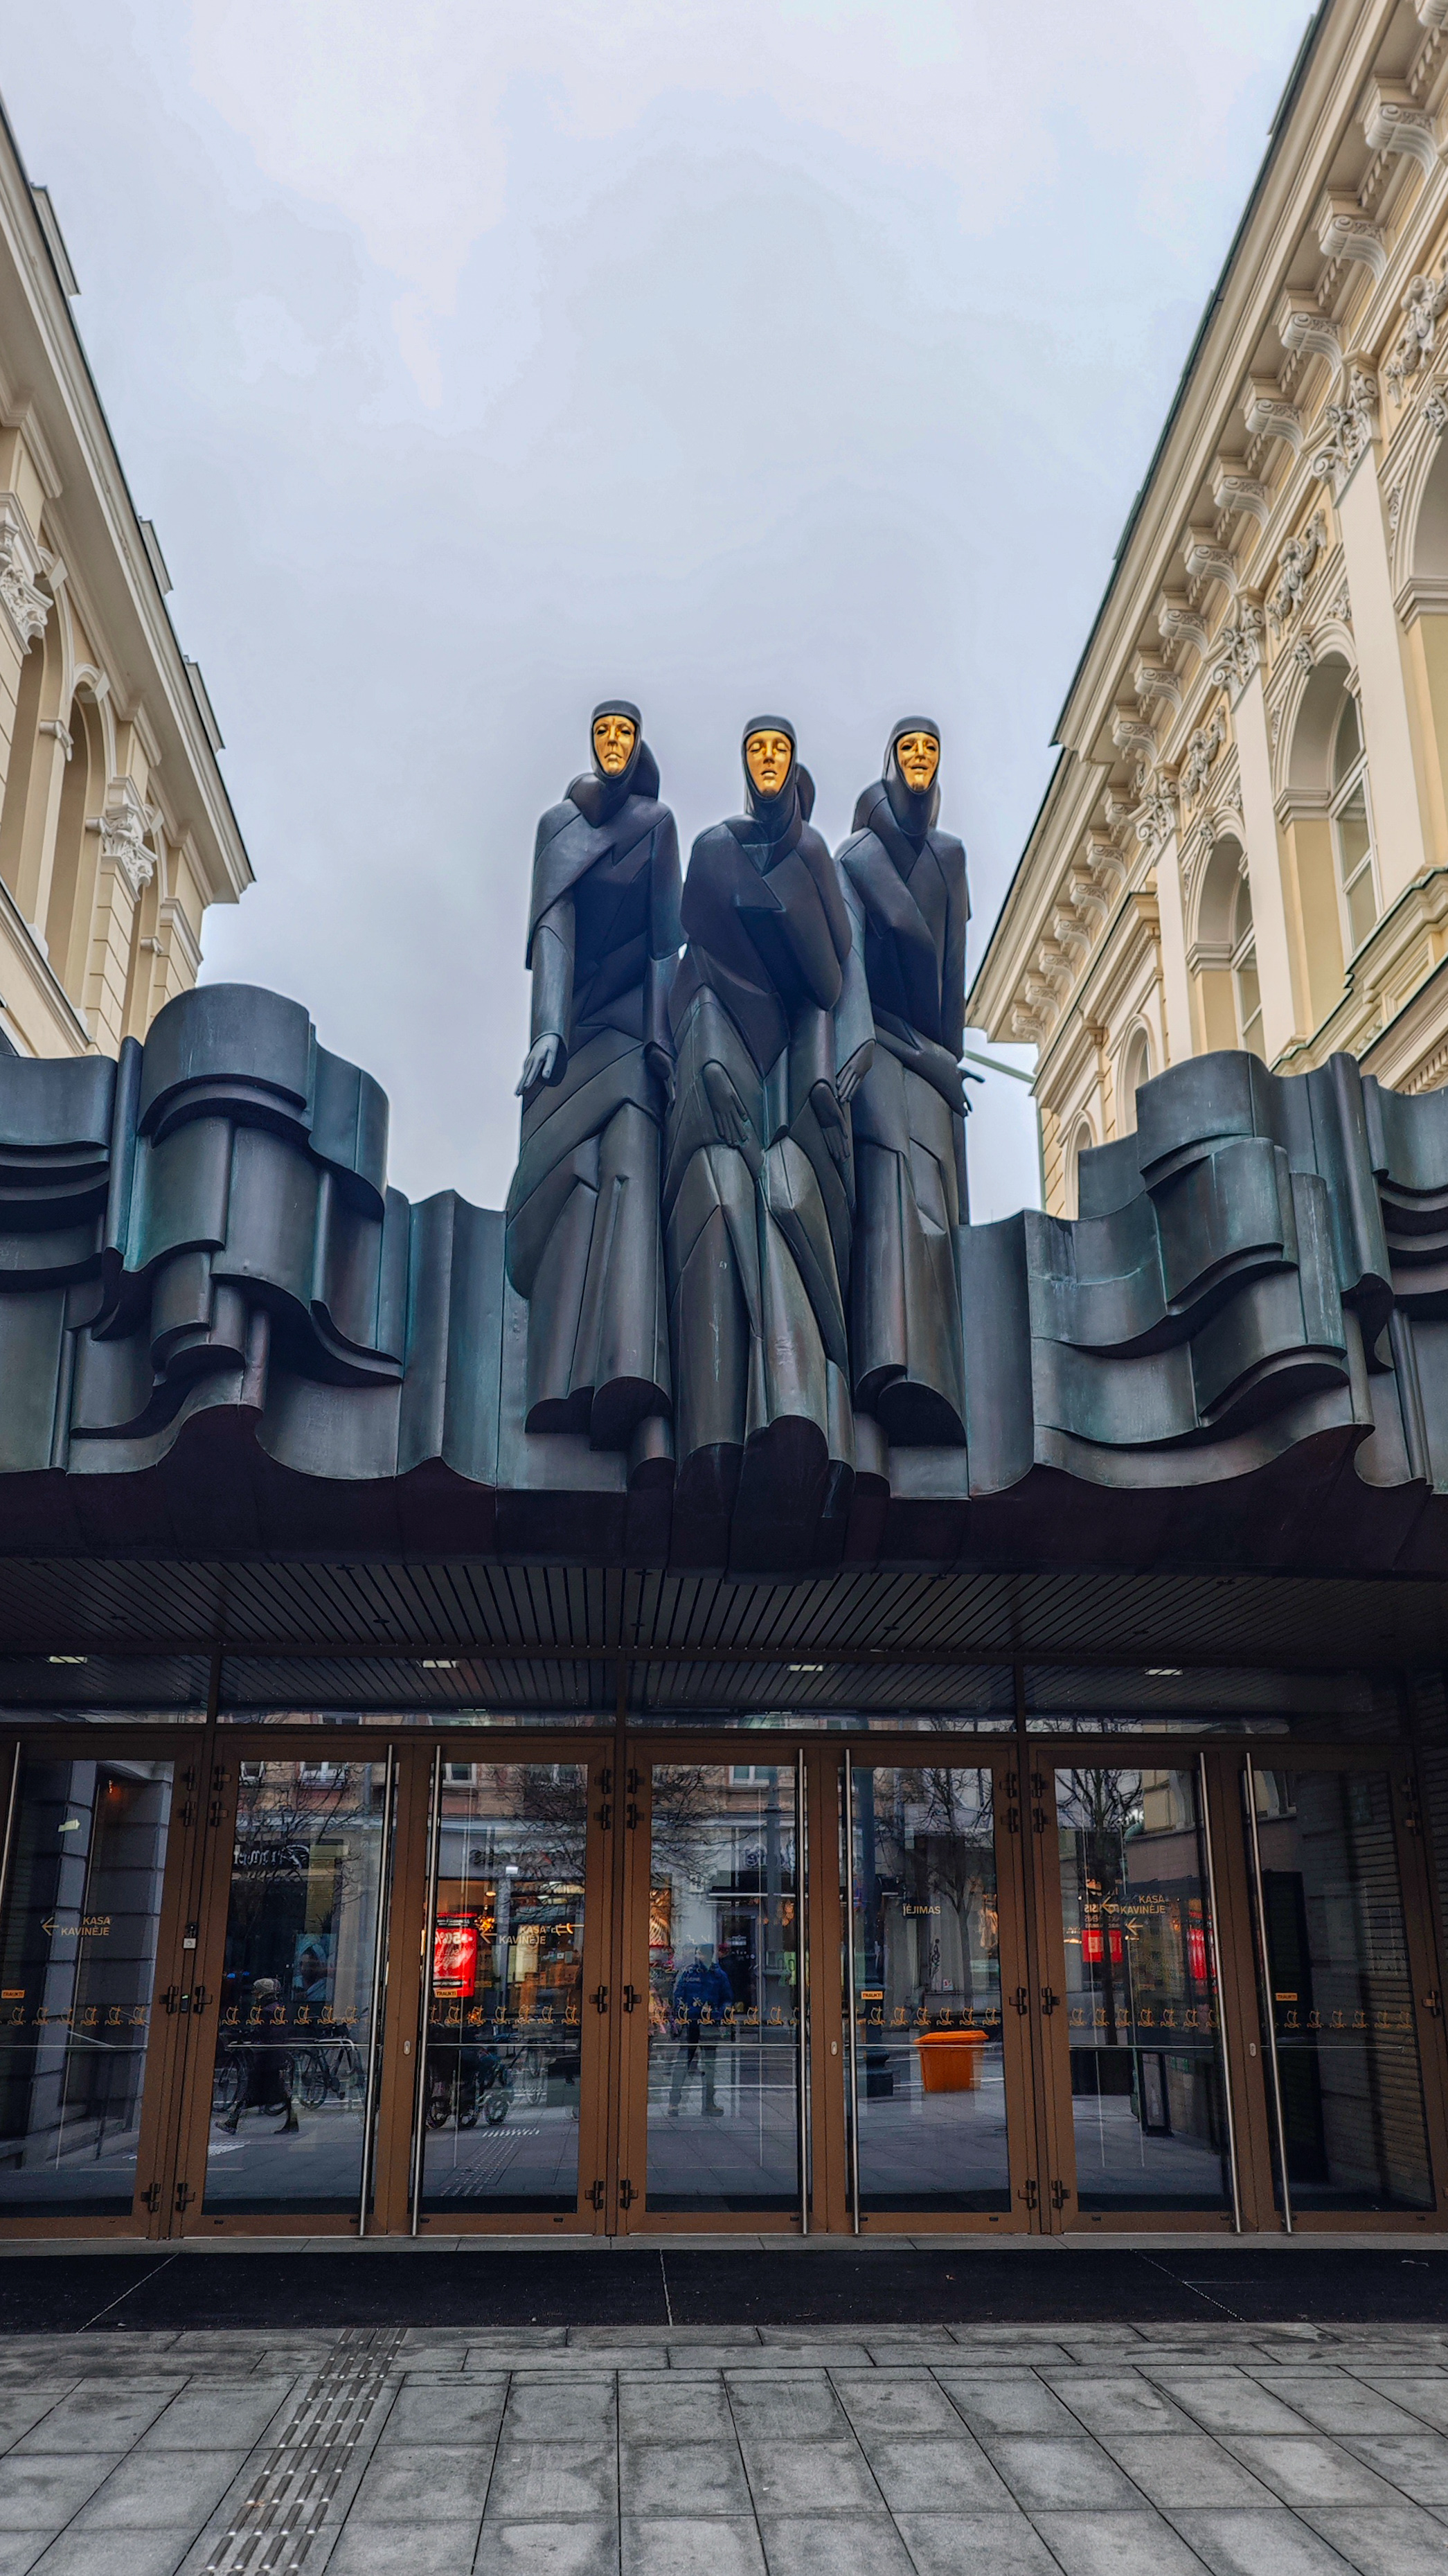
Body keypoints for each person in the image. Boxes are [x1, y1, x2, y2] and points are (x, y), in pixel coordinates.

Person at [664, 718, 872, 1552]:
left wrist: (822, 1074)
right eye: (756, 749)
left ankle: (796, 1404)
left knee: (784, 1189)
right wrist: (704, 1051)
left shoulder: (816, 855)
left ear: (794, 764)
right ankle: (747, 1417)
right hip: (723, 1047)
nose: (768, 761)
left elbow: (831, 976)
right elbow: (693, 965)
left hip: (792, 1060)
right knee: (726, 1185)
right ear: (745, 763)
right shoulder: (714, 849)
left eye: (779, 749)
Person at [505, 701, 681, 1451]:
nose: (614, 743)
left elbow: (662, 946)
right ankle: (557, 1382)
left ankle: (630, 1370)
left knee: (630, 1177)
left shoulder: (658, 823)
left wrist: (661, 1040)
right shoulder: (559, 827)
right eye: (603, 732)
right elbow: (554, 931)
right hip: (572, 1040)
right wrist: (547, 1030)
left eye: (624, 733)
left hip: (631, 1036)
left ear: (638, 744)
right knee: (571, 1183)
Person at [836, 721, 971, 1445]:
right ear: (889, 761)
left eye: (931, 751)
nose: (919, 760)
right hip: (878, 1044)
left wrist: (949, 1062)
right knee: (893, 1186)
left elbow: (953, 973)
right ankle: (888, 1361)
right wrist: (856, 1034)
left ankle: (936, 1369)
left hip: (930, 1057)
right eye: (908, 750)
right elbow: (848, 959)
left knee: (936, 1195)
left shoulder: (950, 857)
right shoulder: (854, 857)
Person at [222, 1977, 298, 2135]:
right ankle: (291, 2122)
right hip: (277, 2055)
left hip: (267, 2057)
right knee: (283, 2093)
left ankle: (233, 2121)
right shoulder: (279, 2008)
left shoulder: (266, 2011)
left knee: (251, 2090)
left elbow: (265, 2033)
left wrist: (250, 2038)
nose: (255, 1997)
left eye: (257, 1993)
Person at [668, 1944, 733, 2116]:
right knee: (684, 2063)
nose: (700, 1957)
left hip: (709, 2022)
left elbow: (727, 1999)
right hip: (692, 2023)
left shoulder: (718, 1975)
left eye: (702, 1954)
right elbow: (679, 1996)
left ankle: (708, 2103)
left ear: (710, 1955)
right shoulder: (691, 1973)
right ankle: (674, 2103)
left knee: (708, 2066)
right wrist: (681, 2015)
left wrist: (721, 2014)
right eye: (698, 1954)